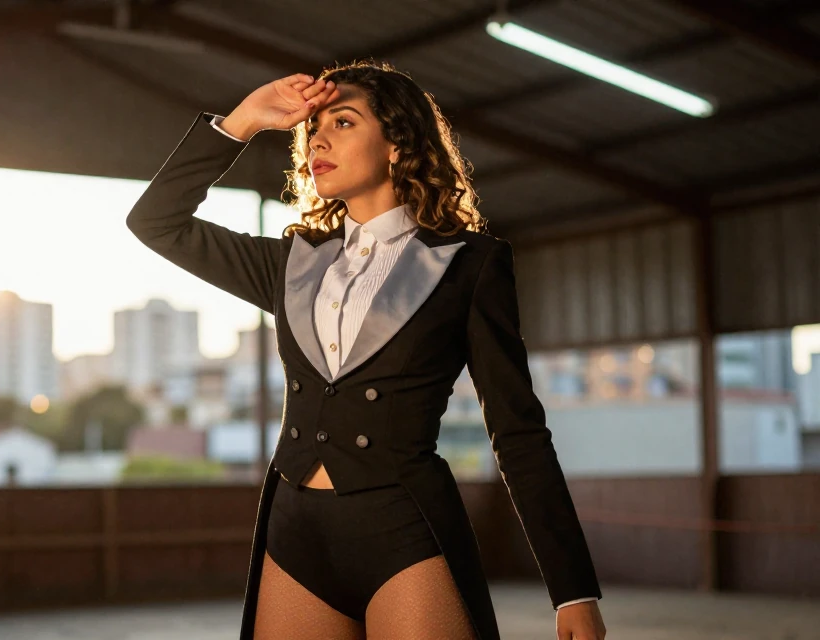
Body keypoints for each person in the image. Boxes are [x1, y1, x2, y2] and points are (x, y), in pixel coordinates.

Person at [126, 59, 606, 640]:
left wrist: (572, 587)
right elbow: (157, 222)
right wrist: (245, 120)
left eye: (344, 123)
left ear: (397, 146)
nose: (319, 138)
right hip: (295, 529)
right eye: (313, 129)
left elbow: (518, 430)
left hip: (404, 530)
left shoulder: (468, 265)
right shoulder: (291, 264)